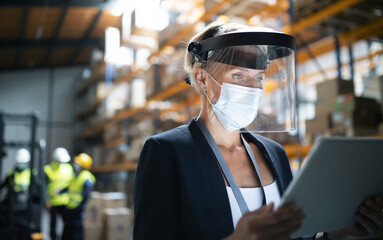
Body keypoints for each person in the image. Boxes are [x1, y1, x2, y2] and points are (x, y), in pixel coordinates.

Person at [133, 22, 383, 240]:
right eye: (239, 76)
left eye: (259, 77)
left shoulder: (274, 153)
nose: (253, 88)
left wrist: (334, 233)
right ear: (201, 79)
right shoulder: (168, 152)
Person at [62, 153, 95, 240]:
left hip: (77, 209)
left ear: (83, 165)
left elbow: (87, 195)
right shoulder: (76, 175)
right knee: (68, 230)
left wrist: (81, 206)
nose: (75, 164)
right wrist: (61, 191)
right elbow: (70, 186)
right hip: (69, 207)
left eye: (78, 163)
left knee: (76, 231)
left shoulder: (87, 177)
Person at [44, 147, 74, 240]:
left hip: (65, 201)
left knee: (67, 222)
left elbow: (72, 184)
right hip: (52, 202)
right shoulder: (48, 169)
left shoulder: (68, 168)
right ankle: (53, 237)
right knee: (53, 223)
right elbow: (44, 186)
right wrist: (46, 200)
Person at [0, 148, 31, 227]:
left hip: (24, 204)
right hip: (11, 202)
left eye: (23, 162)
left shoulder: (31, 174)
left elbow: (35, 191)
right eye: (20, 162)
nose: (21, 164)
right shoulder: (11, 172)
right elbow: (3, 185)